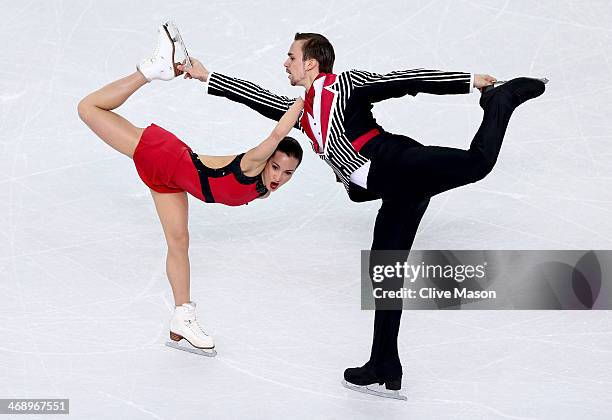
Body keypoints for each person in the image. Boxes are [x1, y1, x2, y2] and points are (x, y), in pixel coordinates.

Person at [178, 32, 546, 396]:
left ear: (311, 62)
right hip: (395, 190)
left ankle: (502, 99)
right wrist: (206, 76)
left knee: (477, 162)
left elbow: (404, 81)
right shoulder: (302, 111)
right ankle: (384, 362)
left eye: (291, 56)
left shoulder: (346, 85)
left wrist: (467, 81)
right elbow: (260, 99)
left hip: (399, 163)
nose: (285, 63)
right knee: (385, 274)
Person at [77, 24, 304, 357]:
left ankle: (182, 316)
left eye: (288, 173)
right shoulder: (256, 162)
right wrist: (304, 101)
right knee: (89, 108)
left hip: (172, 179)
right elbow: (275, 137)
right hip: (167, 158)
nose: (280, 177)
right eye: (276, 167)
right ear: (267, 160)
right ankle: (152, 69)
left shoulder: (265, 185)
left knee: (179, 241)